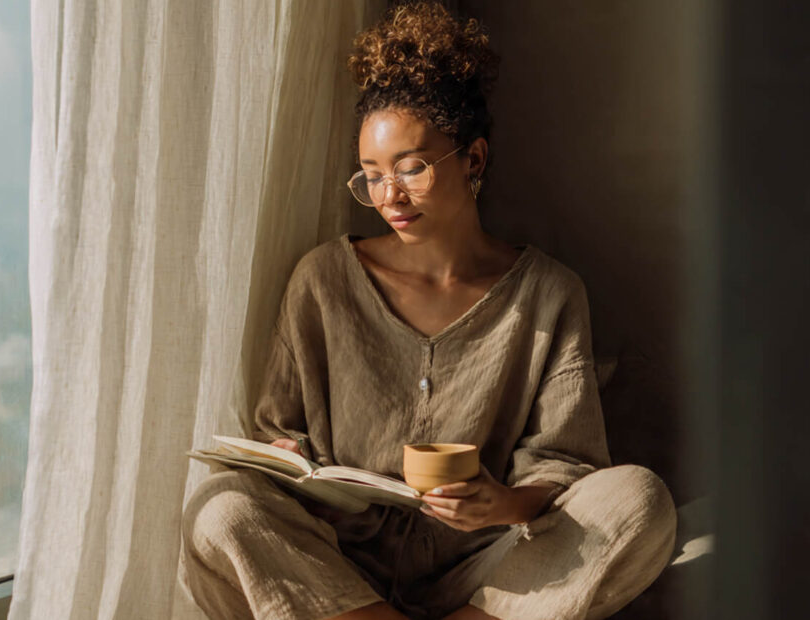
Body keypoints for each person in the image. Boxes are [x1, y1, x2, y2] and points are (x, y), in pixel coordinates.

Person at [180, 3, 676, 619]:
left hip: (486, 576)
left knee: (639, 500)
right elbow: (279, 433)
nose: (390, 197)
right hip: (342, 568)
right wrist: (285, 452)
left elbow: (566, 465)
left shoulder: (547, 293)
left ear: (473, 160)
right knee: (221, 507)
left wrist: (501, 504)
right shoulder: (323, 282)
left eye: (411, 168)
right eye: (371, 176)